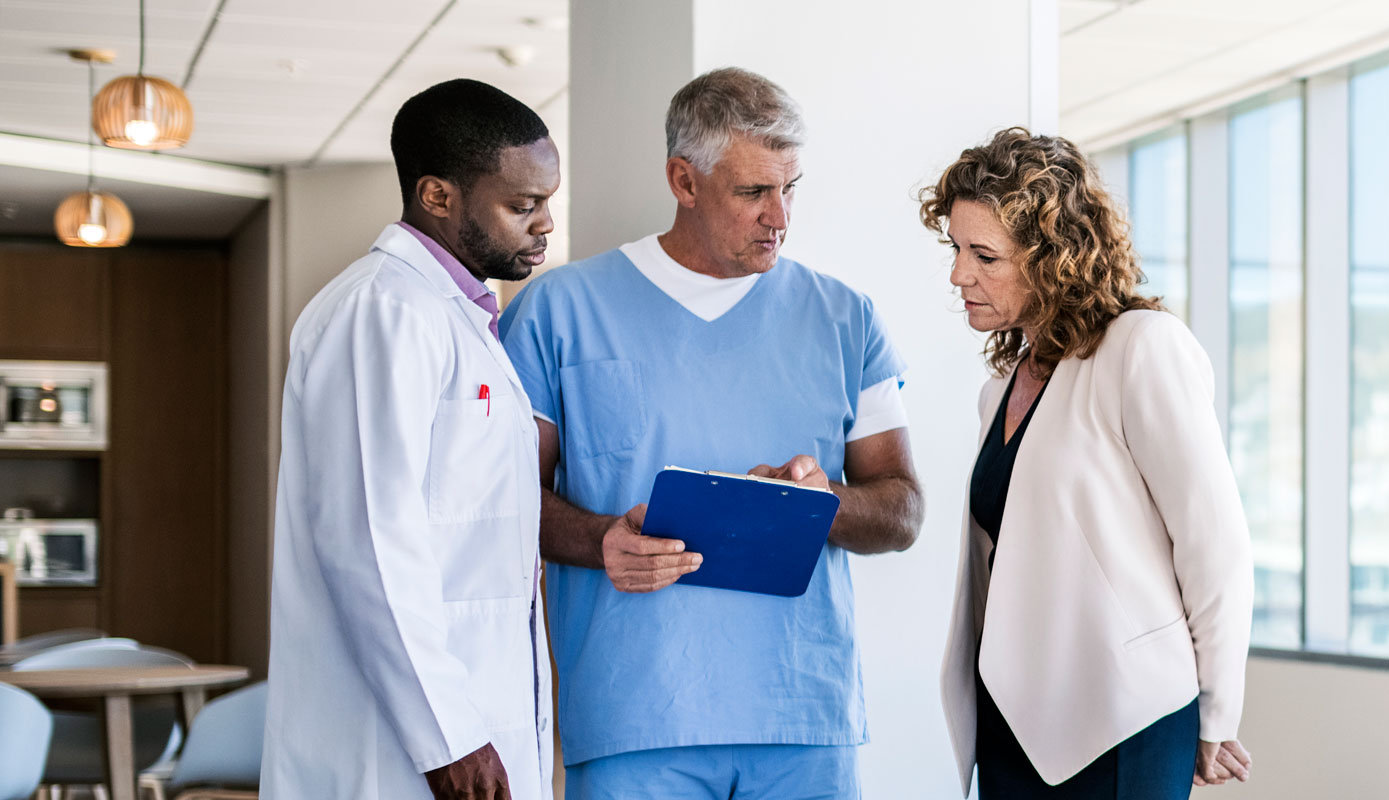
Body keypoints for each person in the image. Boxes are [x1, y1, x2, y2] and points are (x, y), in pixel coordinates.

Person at [499, 67, 923, 799]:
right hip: (634, 721)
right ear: (683, 181)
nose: (779, 217)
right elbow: (504, 500)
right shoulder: (557, 313)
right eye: (753, 191)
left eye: (790, 188)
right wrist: (602, 541)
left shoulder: (845, 319)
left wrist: (823, 500)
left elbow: (903, 510)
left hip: (803, 719)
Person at [924, 127, 1255, 799]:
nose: (960, 275)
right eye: (956, 249)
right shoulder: (1001, 389)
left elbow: (1213, 542)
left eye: (985, 255)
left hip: (1123, 718)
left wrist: (1216, 712)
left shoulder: (1141, 349)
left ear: (1053, 258)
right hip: (1014, 721)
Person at [262, 79, 559, 800]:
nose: (546, 224)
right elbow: (369, 537)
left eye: (547, 201)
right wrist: (448, 737)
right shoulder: (383, 311)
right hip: (405, 743)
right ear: (437, 196)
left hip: (475, 710)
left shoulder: (459, 318)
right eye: (522, 205)